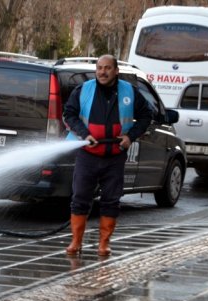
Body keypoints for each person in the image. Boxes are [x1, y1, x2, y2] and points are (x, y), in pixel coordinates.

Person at [62, 55, 152, 258]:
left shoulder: (129, 91)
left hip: (115, 156)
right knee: (80, 198)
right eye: (99, 68)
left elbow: (147, 115)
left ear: (116, 71)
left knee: (111, 201)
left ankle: (104, 244)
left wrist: (130, 136)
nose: (103, 72)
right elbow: (69, 114)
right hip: (88, 155)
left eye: (107, 68)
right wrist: (84, 134)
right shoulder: (84, 90)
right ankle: (76, 241)